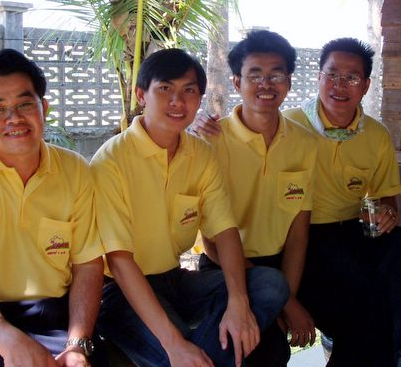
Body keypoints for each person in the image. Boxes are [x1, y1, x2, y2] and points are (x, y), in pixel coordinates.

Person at [194, 38, 401, 367]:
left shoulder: (335, 138)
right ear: (318, 77)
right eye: (332, 75)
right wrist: (197, 124)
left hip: (328, 241)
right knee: (353, 312)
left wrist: (387, 212)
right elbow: (215, 237)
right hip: (268, 252)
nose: (339, 85)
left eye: (351, 78)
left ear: (366, 85)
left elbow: (376, 200)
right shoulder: (255, 132)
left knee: (396, 253)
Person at [90, 48, 289, 367]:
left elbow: (224, 230)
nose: (178, 101)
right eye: (165, 88)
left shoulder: (201, 154)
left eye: (189, 90)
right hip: (121, 292)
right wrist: (174, 343)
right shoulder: (111, 162)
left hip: (177, 281)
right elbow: (119, 260)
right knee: (185, 348)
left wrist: (238, 305)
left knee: (269, 284)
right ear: (141, 95)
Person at [0, 49, 106, 367]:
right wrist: (7, 339)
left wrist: (77, 344)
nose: (14, 118)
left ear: (44, 108)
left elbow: (88, 265)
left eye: (25, 104)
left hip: (56, 314)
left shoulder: (75, 170)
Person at [195, 30, 318, 366]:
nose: (266, 84)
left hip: (279, 267)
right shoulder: (212, 141)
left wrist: (286, 297)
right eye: (254, 75)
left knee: (275, 350)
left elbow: (298, 233)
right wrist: (287, 304)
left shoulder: (306, 144)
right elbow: (212, 243)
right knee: (250, 350)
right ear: (237, 82)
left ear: (289, 82)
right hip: (224, 268)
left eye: (276, 75)